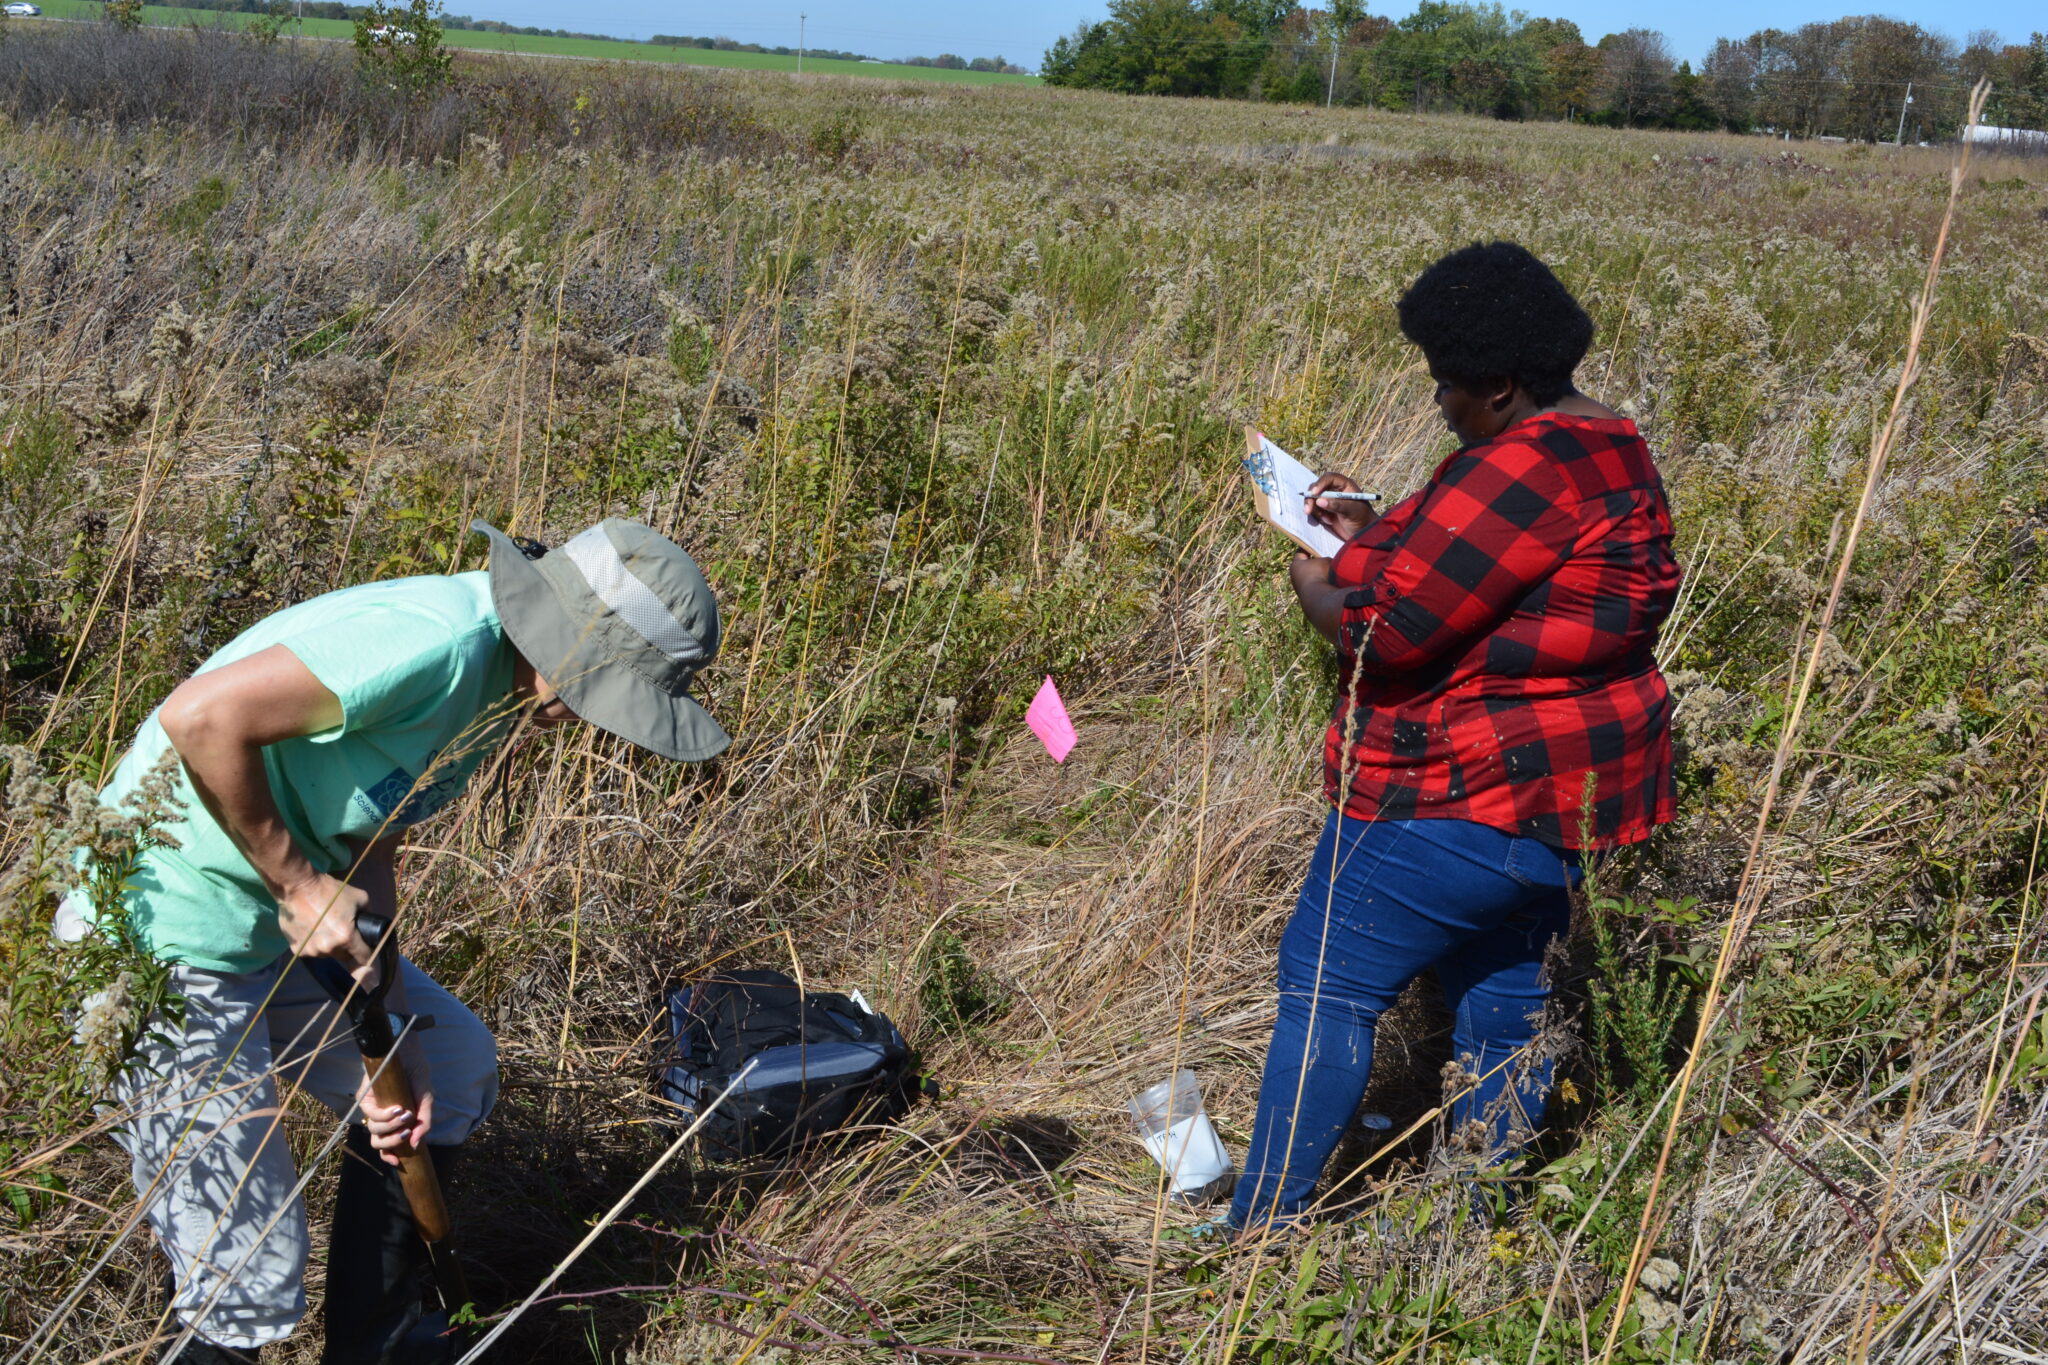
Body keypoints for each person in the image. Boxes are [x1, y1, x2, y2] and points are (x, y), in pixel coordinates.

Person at [63, 518, 730, 1363]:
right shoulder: (438, 645)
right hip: (158, 937)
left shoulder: (496, 690)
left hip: (266, 942)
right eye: (614, 687)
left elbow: (370, 834)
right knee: (247, 1278)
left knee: (445, 1071)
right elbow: (198, 716)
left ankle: (371, 1348)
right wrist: (299, 885)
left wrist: (390, 1030)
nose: (601, 718)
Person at [1219, 241, 1681, 1235]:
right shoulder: (1604, 443)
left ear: (1502, 386)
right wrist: (1363, 526)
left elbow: (1385, 634)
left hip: (1454, 792)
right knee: (1503, 994)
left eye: (1446, 385)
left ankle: (1258, 1232)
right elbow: (1465, 552)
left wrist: (1312, 578)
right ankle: (1469, 1230)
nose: (1437, 401)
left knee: (1326, 988)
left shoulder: (1516, 466)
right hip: (1564, 808)